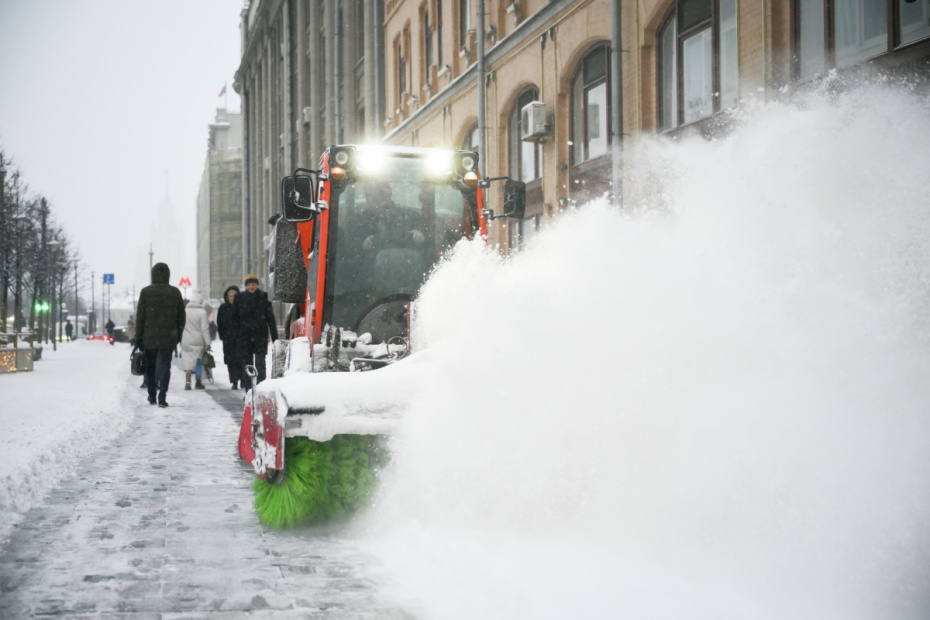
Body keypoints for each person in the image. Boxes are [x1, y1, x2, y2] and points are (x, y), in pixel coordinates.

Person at [134, 262, 186, 408]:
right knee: (164, 368)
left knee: (150, 368)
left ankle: (152, 395)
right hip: (167, 339)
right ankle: (162, 396)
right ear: (168, 275)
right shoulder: (175, 292)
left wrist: (138, 337)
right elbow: (181, 318)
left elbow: (140, 317)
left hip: (149, 338)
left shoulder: (146, 292)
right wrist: (177, 336)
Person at [234, 275, 277, 391]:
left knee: (260, 364)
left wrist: (275, 337)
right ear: (246, 286)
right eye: (249, 285)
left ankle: (260, 389)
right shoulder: (239, 298)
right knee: (247, 365)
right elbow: (235, 319)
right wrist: (236, 336)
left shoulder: (264, 297)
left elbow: (270, 318)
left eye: (253, 284)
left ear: (257, 285)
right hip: (244, 337)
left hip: (260, 336)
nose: (251, 287)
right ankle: (248, 391)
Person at [180, 289, 211, 390]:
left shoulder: (184, 311)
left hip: (186, 339)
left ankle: (188, 382)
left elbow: (180, 326)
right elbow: (205, 329)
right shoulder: (202, 312)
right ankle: (198, 382)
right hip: (198, 340)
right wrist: (208, 343)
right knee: (198, 361)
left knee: (187, 361)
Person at [217, 285, 242, 389]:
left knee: (240, 360)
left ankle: (242, 379)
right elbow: (219, 323)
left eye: (233, 296)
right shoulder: (223, 308)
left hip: (240, 338)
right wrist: (223, 335)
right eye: (229, 296)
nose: (231, 298)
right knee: (230, 361)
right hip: (228, 339)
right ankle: (234, 381)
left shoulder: (242, 306)